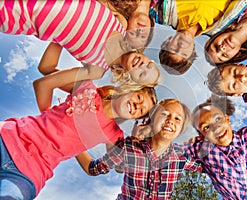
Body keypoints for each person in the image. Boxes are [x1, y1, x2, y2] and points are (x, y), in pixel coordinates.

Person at [0, 37, 158, 199]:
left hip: (30, 172)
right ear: (129, 90)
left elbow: (112, 166)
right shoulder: (87, 88)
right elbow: (43, 83)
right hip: (8, 137)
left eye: (141, 111)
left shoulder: (114, 135)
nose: (138, 106)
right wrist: (50, 117)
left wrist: (72, 144)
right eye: (139, 98)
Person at [0, 0, 159, 87]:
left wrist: (60, 37)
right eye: (149, 65)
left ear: (130, 78)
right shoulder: (122, 26)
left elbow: (47, 75)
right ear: (144, 54)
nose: (142, 66)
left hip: (21, 18)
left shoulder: (97, 70)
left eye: (142, 74)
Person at [75, 99, 203, 199]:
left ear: (180, 131)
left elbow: (210, 166)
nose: (170, 120)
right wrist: (72, 141)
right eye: (164, 114)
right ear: (152, 120)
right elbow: (93, 168)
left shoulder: (182, 155)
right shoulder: (129, 148)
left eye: (177, 119)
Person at [151, 0, 232, 75]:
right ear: (192, 53)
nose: (181, 47)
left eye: (174, 49)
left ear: (167, 42)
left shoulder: (164, 10)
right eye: (184, 54)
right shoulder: (220, 29)